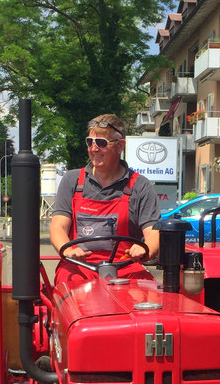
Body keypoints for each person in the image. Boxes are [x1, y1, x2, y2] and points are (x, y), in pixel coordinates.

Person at [50, 113, 160, 286]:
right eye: (90, 142)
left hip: (125, 266)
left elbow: (153, 232)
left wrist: (146, 249)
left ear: (120, 146)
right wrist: (68, 250)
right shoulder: (72, 181)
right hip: (79, 266)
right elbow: (58, 226)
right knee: (69, 286)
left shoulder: (140, 186)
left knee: (149, 291)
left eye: (101, 143)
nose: (93, 149)